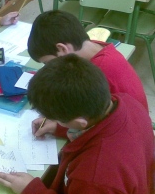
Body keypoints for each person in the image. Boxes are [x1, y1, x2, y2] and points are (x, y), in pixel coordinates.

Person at [0, 55, 155, 194]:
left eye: (56, 118)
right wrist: (61, 126)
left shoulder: (94, 177)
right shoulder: (127, 102)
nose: (49, 119)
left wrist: (33, 192)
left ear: (80, 122)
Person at [27, 10, 149, 138]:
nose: (49, 68)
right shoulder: (95, 48)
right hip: (132, 125)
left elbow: (94, 122)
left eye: (47, 63)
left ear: (63, 49)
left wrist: (60, 126)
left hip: (127, 135)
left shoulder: (99, 70)